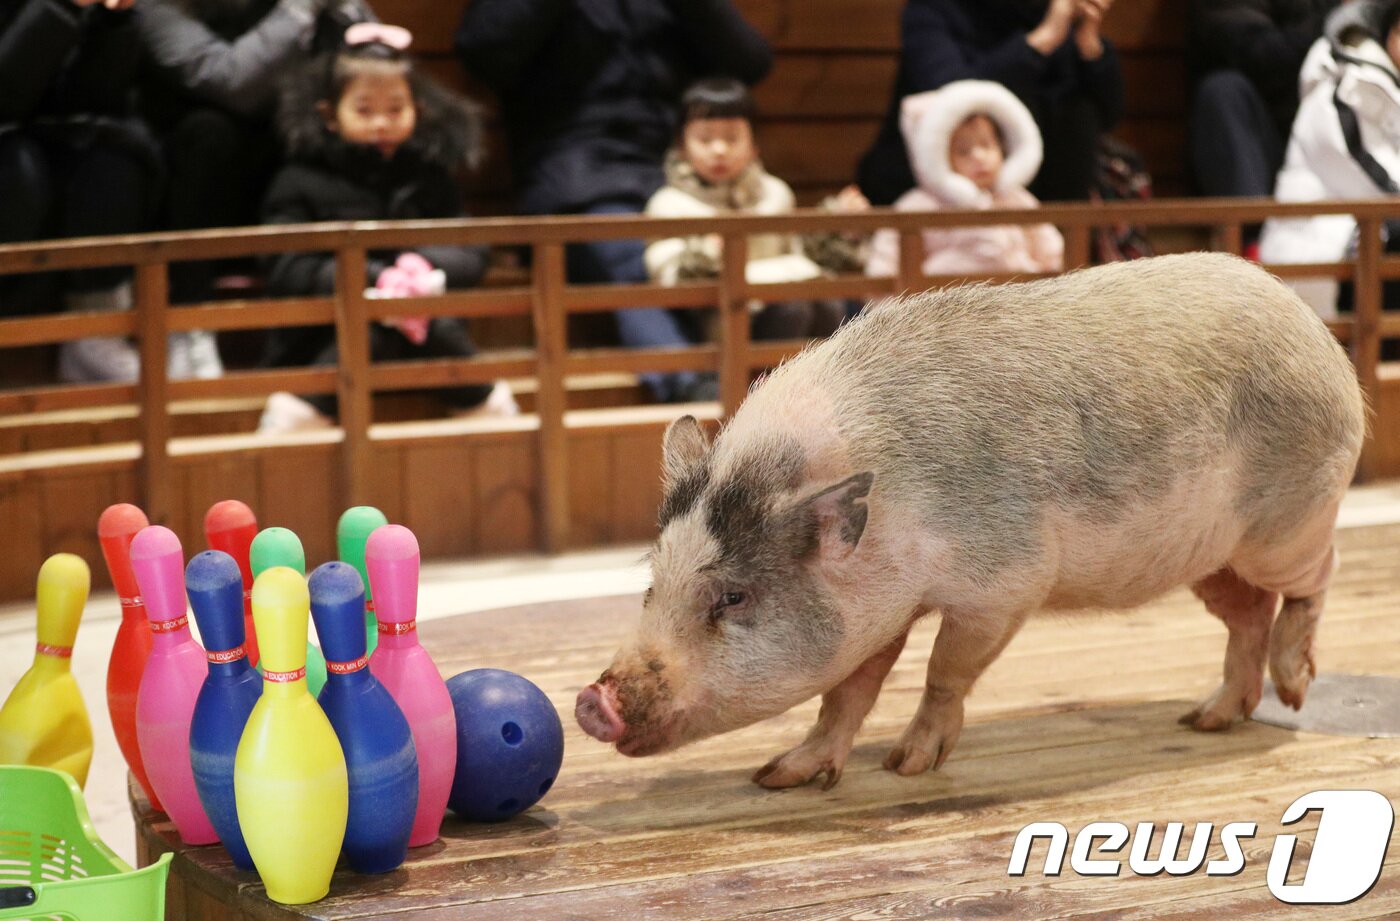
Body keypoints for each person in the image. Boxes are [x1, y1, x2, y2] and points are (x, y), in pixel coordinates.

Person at [454, 0, 772, 402]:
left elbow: (749, 62)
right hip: (579, 179)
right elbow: (483, 52)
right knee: (629, 255)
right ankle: (688, 386)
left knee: (765, 243)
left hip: (678, 175)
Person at [256, 24, 517, 433]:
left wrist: (418, 272)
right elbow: (287, 265)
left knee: (420, 321)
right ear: (329, 115)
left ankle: (492, 416)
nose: (381, 122)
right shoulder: (297, 179)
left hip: (425, 328)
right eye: (364, 110)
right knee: (376, 320)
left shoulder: (432, 177)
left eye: (396, 109)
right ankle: (298, 418)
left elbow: (471, 250)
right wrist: (377, 281)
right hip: (324, 338)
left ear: (418, 109)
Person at [136, 0, 373, 306]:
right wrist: (300, 9)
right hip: (189, 183)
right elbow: (229, 81)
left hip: (287, 166)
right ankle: (188, 316)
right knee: (209, 134)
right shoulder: (158, 7)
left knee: (343, 126)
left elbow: (375, 67)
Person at [0, 0, 176, 380]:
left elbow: (92, 101)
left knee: (116, 157)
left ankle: (94, 328)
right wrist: (60, 7)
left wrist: (113, 22)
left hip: (44, 138)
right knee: (18, 165)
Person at [856, 0, 1123, 207]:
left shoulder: (1052, 10)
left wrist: (1089, 44)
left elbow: (1108, 115)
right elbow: (953, 96)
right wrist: (1041, 41)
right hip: (937, 190)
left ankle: (1069, 257)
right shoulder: (933, 9)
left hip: (1038, 194)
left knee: (1077, 113)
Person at [643, 78, 845, 341]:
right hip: (721, 317)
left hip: (780, 292)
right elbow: (666, 273)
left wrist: (840, 230)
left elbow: (797, 251)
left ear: (753, 145)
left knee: (827, 304)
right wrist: (703, 256)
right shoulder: (668, 203)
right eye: (705, 139)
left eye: (732, 137)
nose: (719, 150)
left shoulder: (776, 193)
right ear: (682, 146)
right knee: (791, 310)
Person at [1259, 0, 1400, 318]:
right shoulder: (1342, 85)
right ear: (1388, 29)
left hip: (1366, 232)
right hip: (1321, 243)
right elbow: (1364, 175)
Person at [866, 80, 1063, 279]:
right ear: (940, 158)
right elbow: (884, 272)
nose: (978, 157)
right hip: (945, 306)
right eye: (963, 151)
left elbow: (1054, 254)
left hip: (1019, 303)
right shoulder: (917, 207)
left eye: (987, 145)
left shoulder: (1019, 200)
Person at [1188, 0, 1340, 200]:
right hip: (1269, 138)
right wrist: (1336, 21)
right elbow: (1253, 52)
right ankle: (1247, 222)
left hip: (1341, 127)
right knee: (1223, 91)